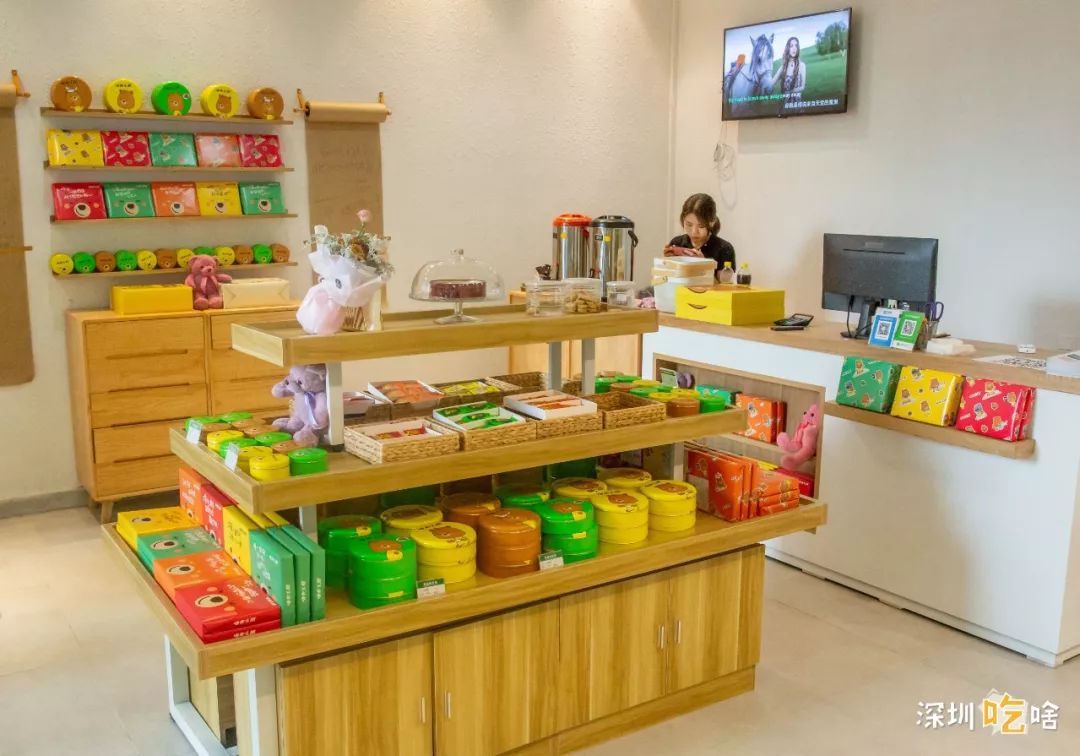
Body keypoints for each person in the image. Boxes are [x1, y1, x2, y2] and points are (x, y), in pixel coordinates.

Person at [664, 193, 735, 277]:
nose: (694, 232)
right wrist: (666, 263)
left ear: (711, 222)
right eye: (689, 224)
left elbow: (726, 284)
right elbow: (669, 279)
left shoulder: (724, 249)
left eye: (701, 226)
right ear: (683, 220)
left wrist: (703, 265)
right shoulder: (677, 243)